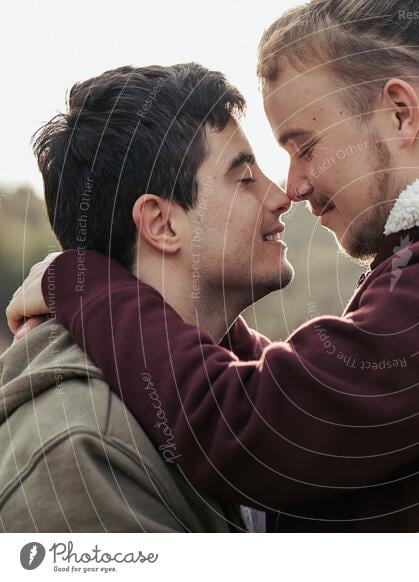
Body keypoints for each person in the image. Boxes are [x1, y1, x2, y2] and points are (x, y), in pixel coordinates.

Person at [7, 0, 419, 531]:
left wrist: (85, 281)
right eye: (261, 165)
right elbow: (322, 408)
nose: (292, 185)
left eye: (303, 145)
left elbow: (249, 429)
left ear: (400, 113)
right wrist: (206, 333)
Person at [0, 63, 292, 531]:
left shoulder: (237, 386)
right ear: (161, 224)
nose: (281, 196)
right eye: (244, 178)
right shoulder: (82, 454)